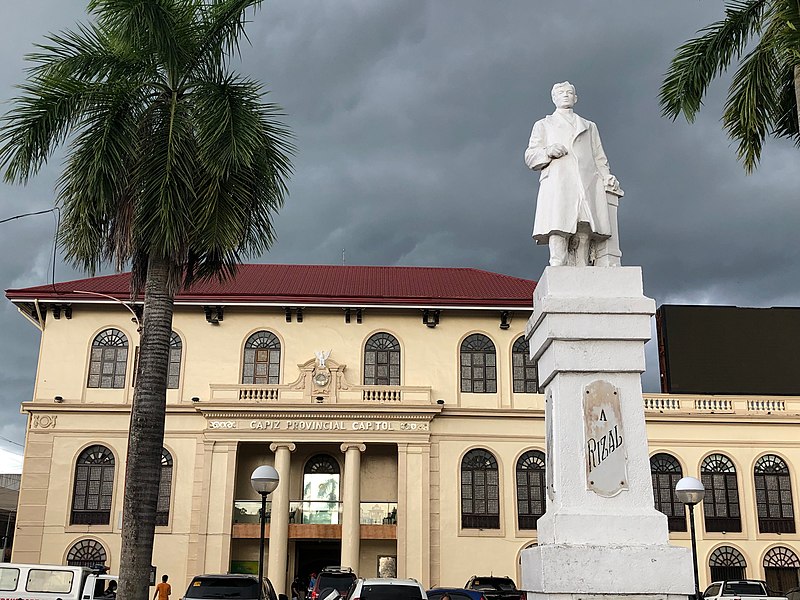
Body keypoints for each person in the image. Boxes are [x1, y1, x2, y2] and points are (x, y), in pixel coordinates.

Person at [524, 81, 620, 267]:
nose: (566, 95)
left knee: (584, 225)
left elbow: (599, 157)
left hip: (586, 180)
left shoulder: (589, 126)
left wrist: (606, 175)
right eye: (561, 92)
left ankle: (582, 265)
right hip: (559, 181)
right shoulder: (544, 125)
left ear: (576, 98)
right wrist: (547, 151)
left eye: (569, 92)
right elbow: (530, 156)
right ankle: (557, 264)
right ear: (554, 98)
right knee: (558, 224)